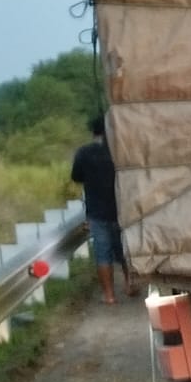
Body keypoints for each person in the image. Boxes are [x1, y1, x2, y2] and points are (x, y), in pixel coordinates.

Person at [70, 112, 133, 304]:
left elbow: (76, 177)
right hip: (122, 210)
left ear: (93, 131)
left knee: (102, 254)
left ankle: (109, 295)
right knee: (125, 251)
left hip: (97, 212)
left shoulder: (84, 152)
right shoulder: (120, 150)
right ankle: (131, 285)